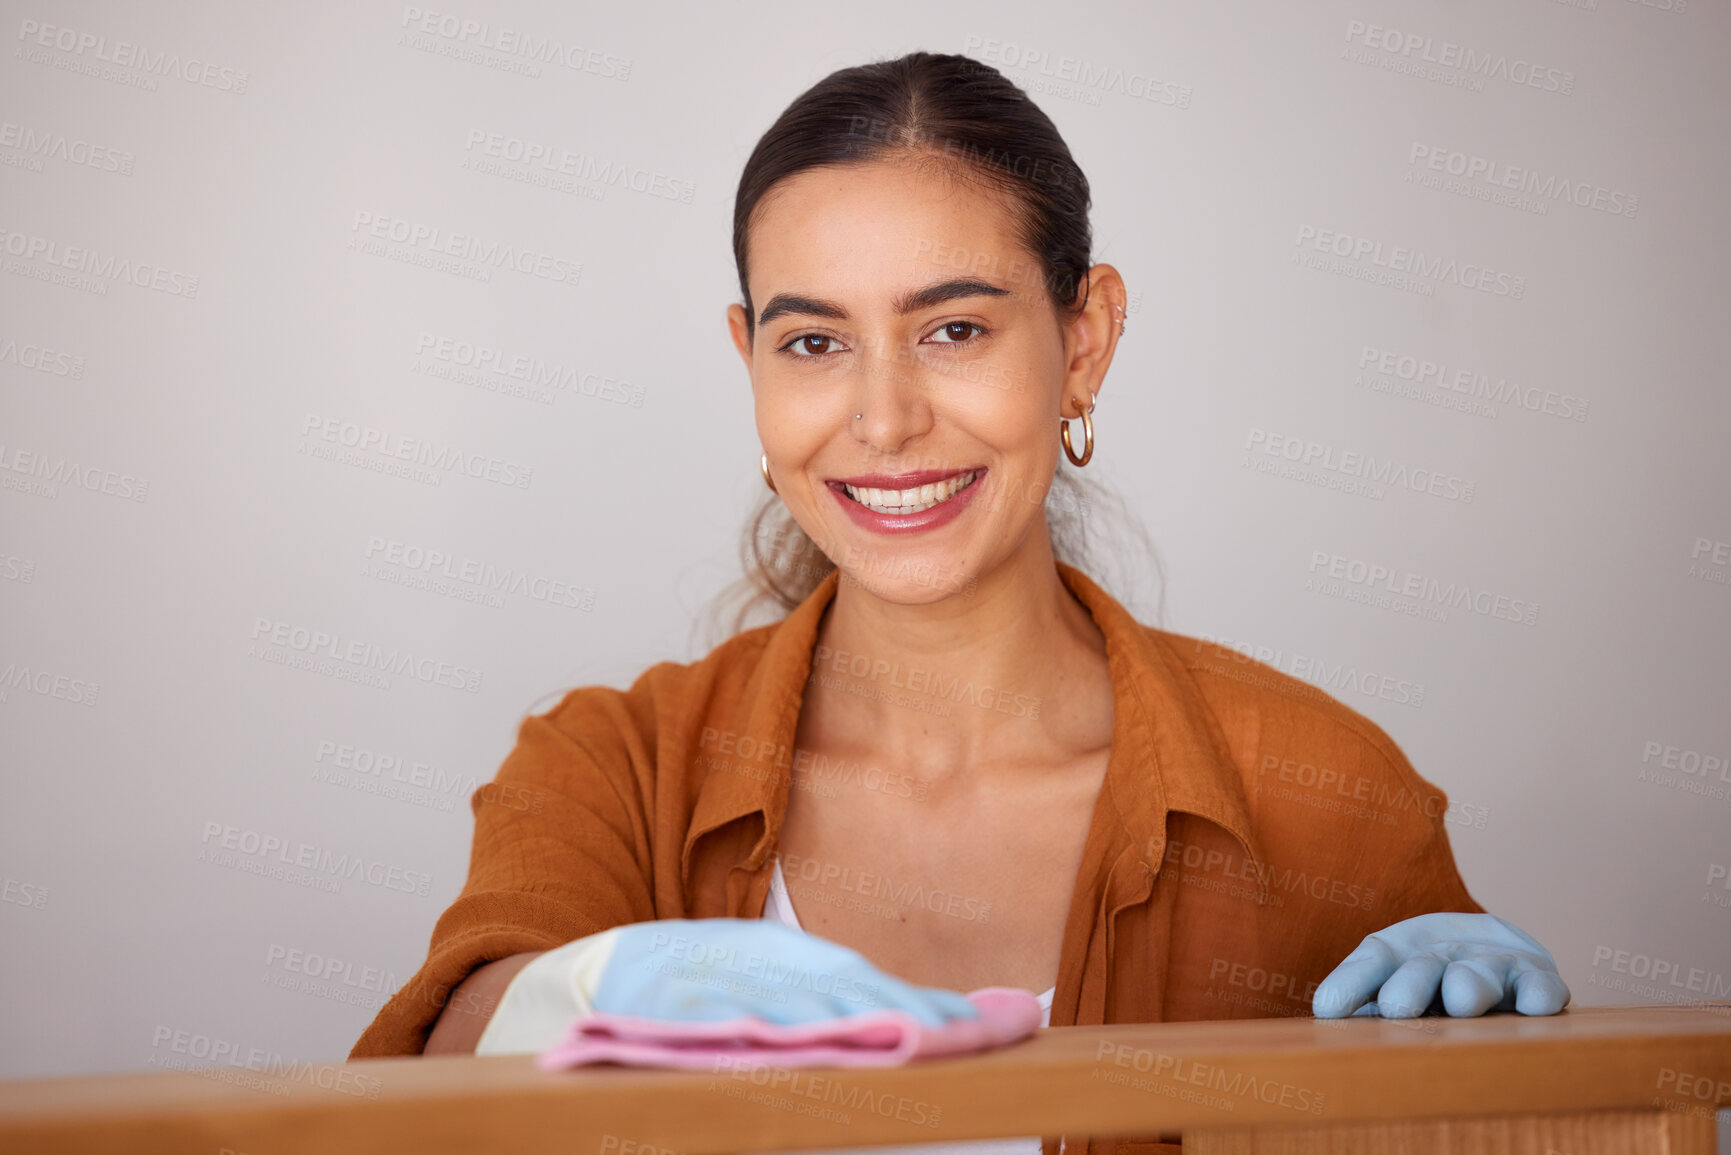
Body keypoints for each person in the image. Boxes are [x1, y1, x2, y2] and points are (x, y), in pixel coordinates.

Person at [348, 51, 1568, 1155]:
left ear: (1084, 340)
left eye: (954, 328)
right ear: (748, 361)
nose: (882, 422)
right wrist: (570, 999)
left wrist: (1528, 1094)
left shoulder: (1325, 797)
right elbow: (433, 1083)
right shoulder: (610, 768)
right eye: (814, 344)